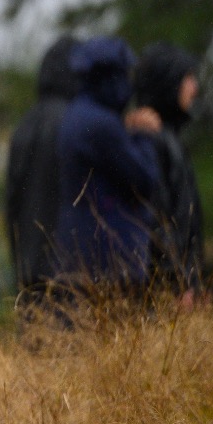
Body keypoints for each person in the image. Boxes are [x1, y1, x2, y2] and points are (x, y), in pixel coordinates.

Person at [51, 37, 160, 309]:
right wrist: (144, 136)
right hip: (110, 256)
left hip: (81, 251)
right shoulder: (102, 125)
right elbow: (144, 178)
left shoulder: (75, 116)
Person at [4, 35, 79, 311]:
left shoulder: (24, 127)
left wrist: (20, 263)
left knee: (36, 345)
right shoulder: (77, 124)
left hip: (30, 268)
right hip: (73, 271)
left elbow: (12, 202)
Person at [132, 42, 207, 301]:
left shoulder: (170, 139)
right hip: (169, 296)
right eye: (187, 78)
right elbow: (158, 221)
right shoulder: (153, 140)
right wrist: (177, 284)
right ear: (169, 81)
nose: (194, 87)